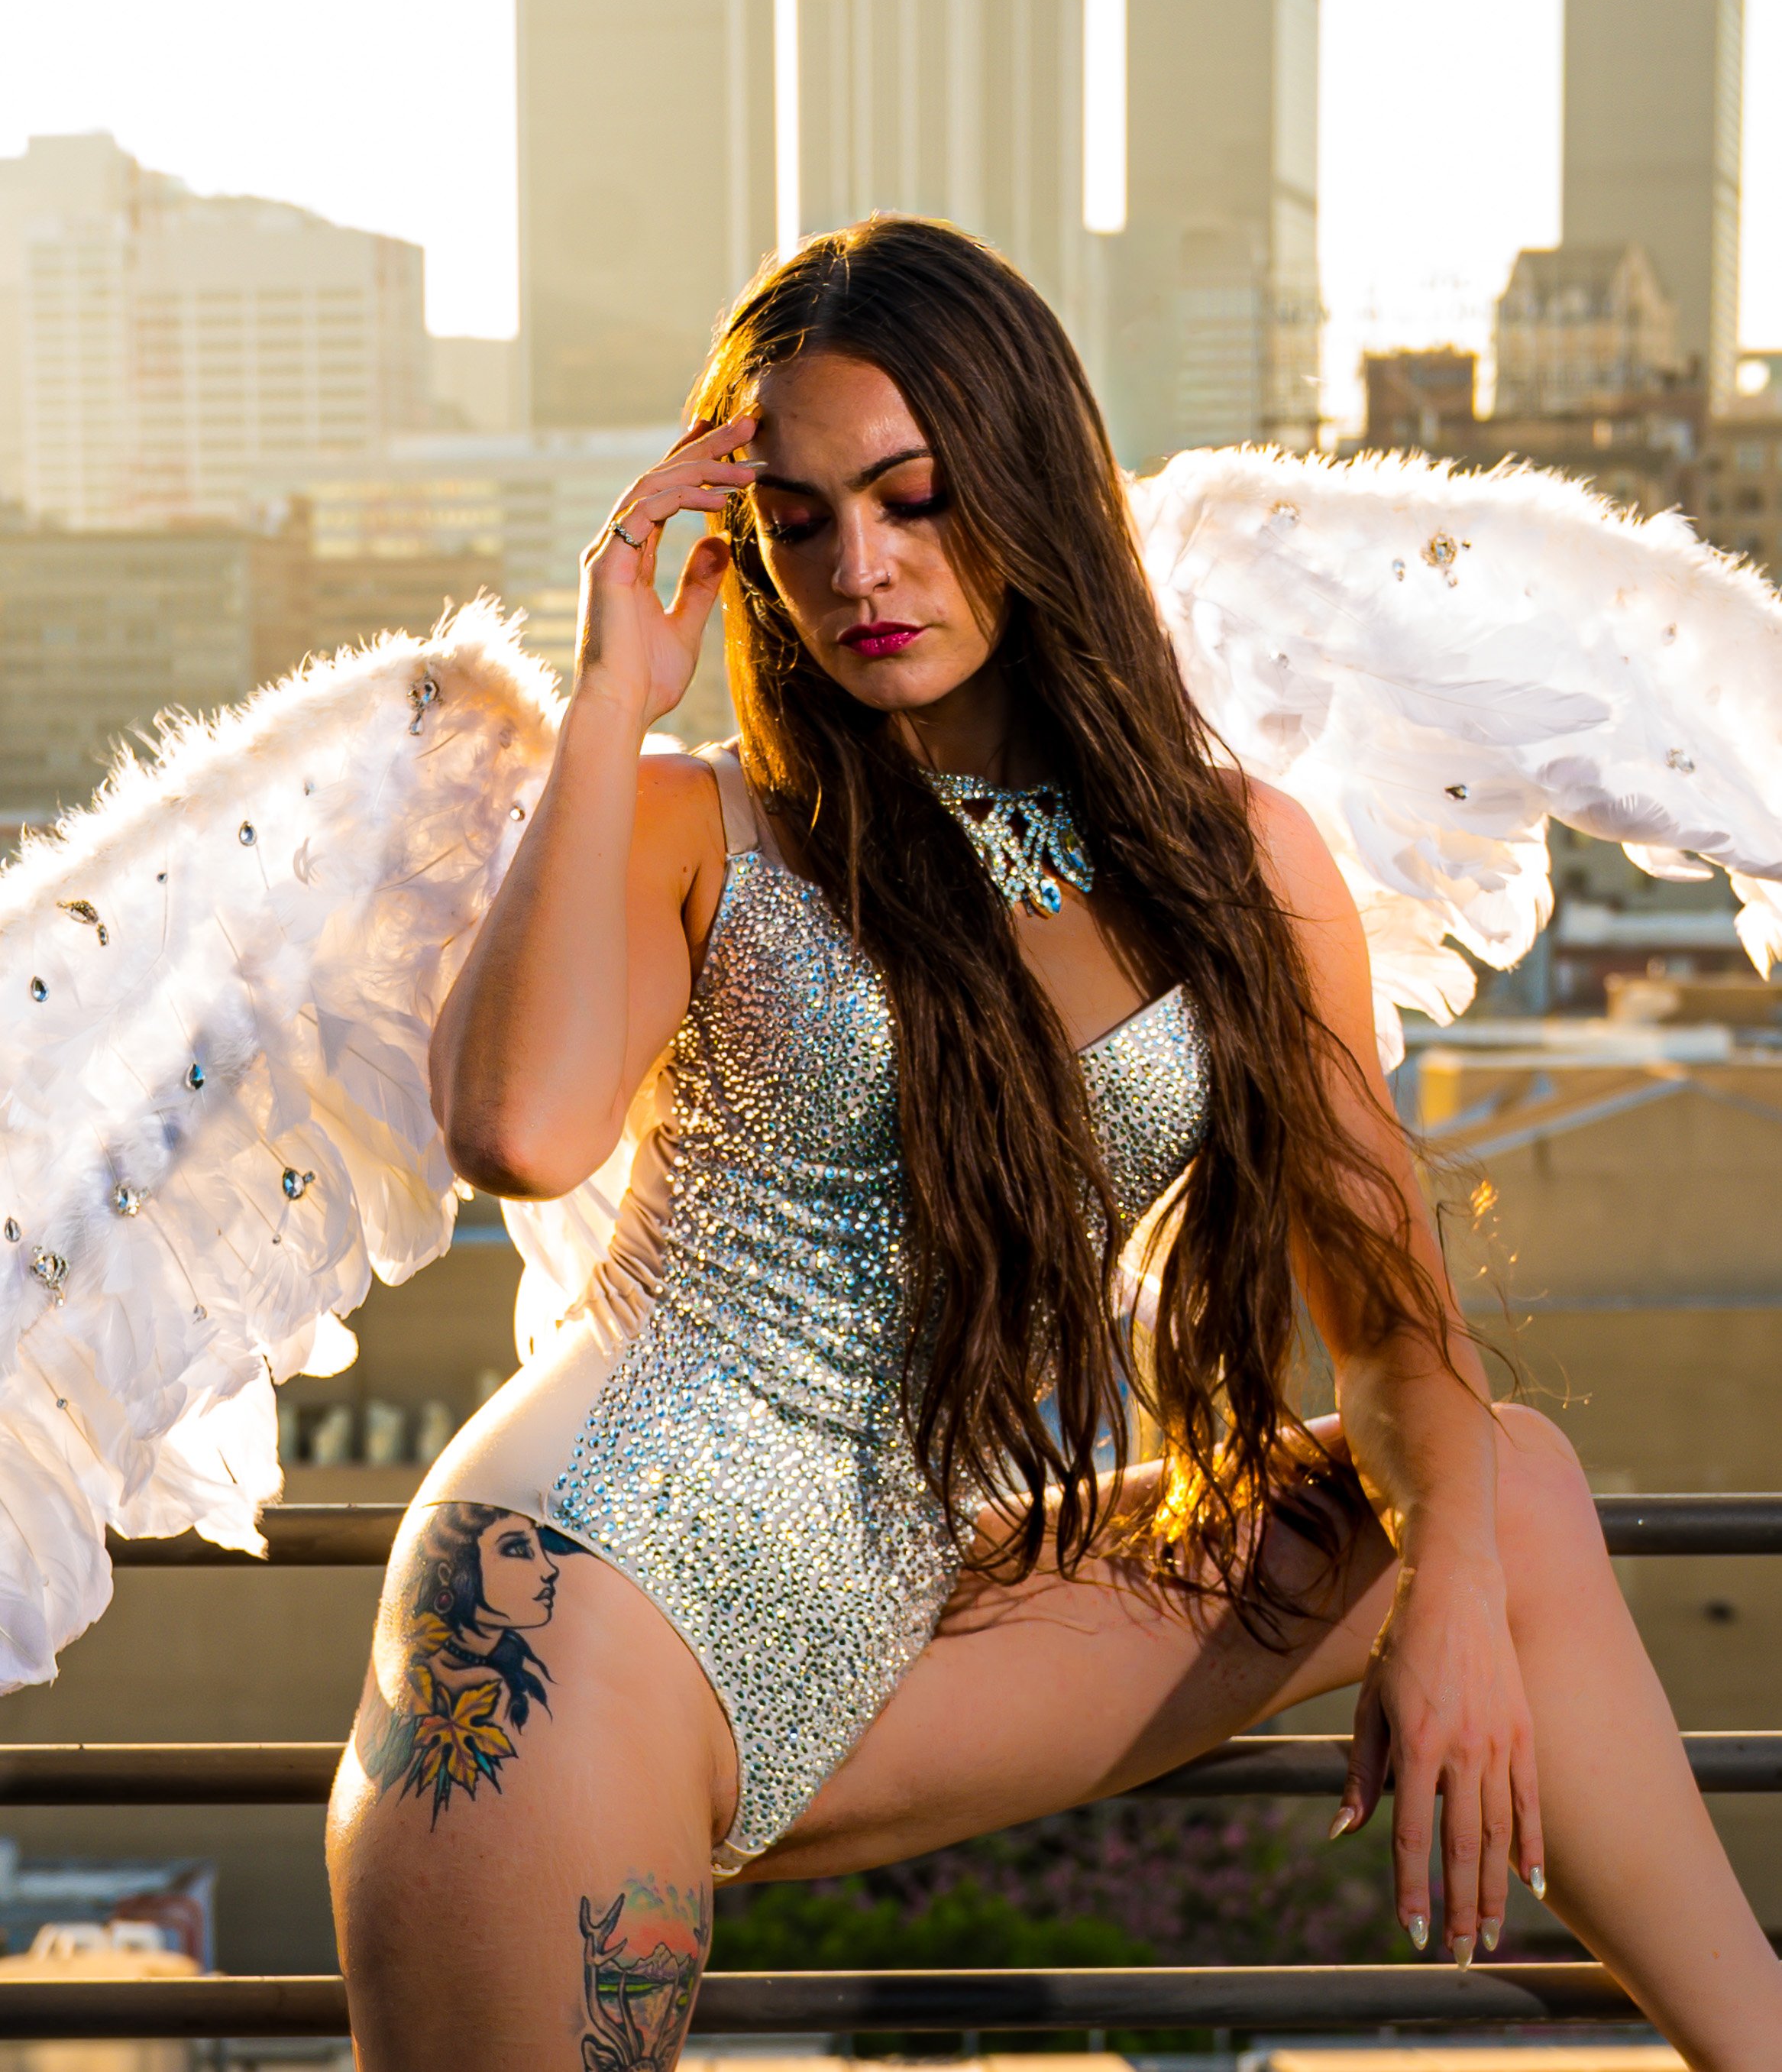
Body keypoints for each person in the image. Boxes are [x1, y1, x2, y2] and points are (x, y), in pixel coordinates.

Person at [326, 218, 1782, 2071]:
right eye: (798, 520)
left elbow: (1400, 1326)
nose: (864, 568)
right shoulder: (707, 822)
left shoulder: (1235, 861)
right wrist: (612, 691)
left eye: (915, 497)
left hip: (888, 1618)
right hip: (569, 1629)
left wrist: (1463, 1613)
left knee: (1510, 1491)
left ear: (1026, 481)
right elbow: (515, 1131)